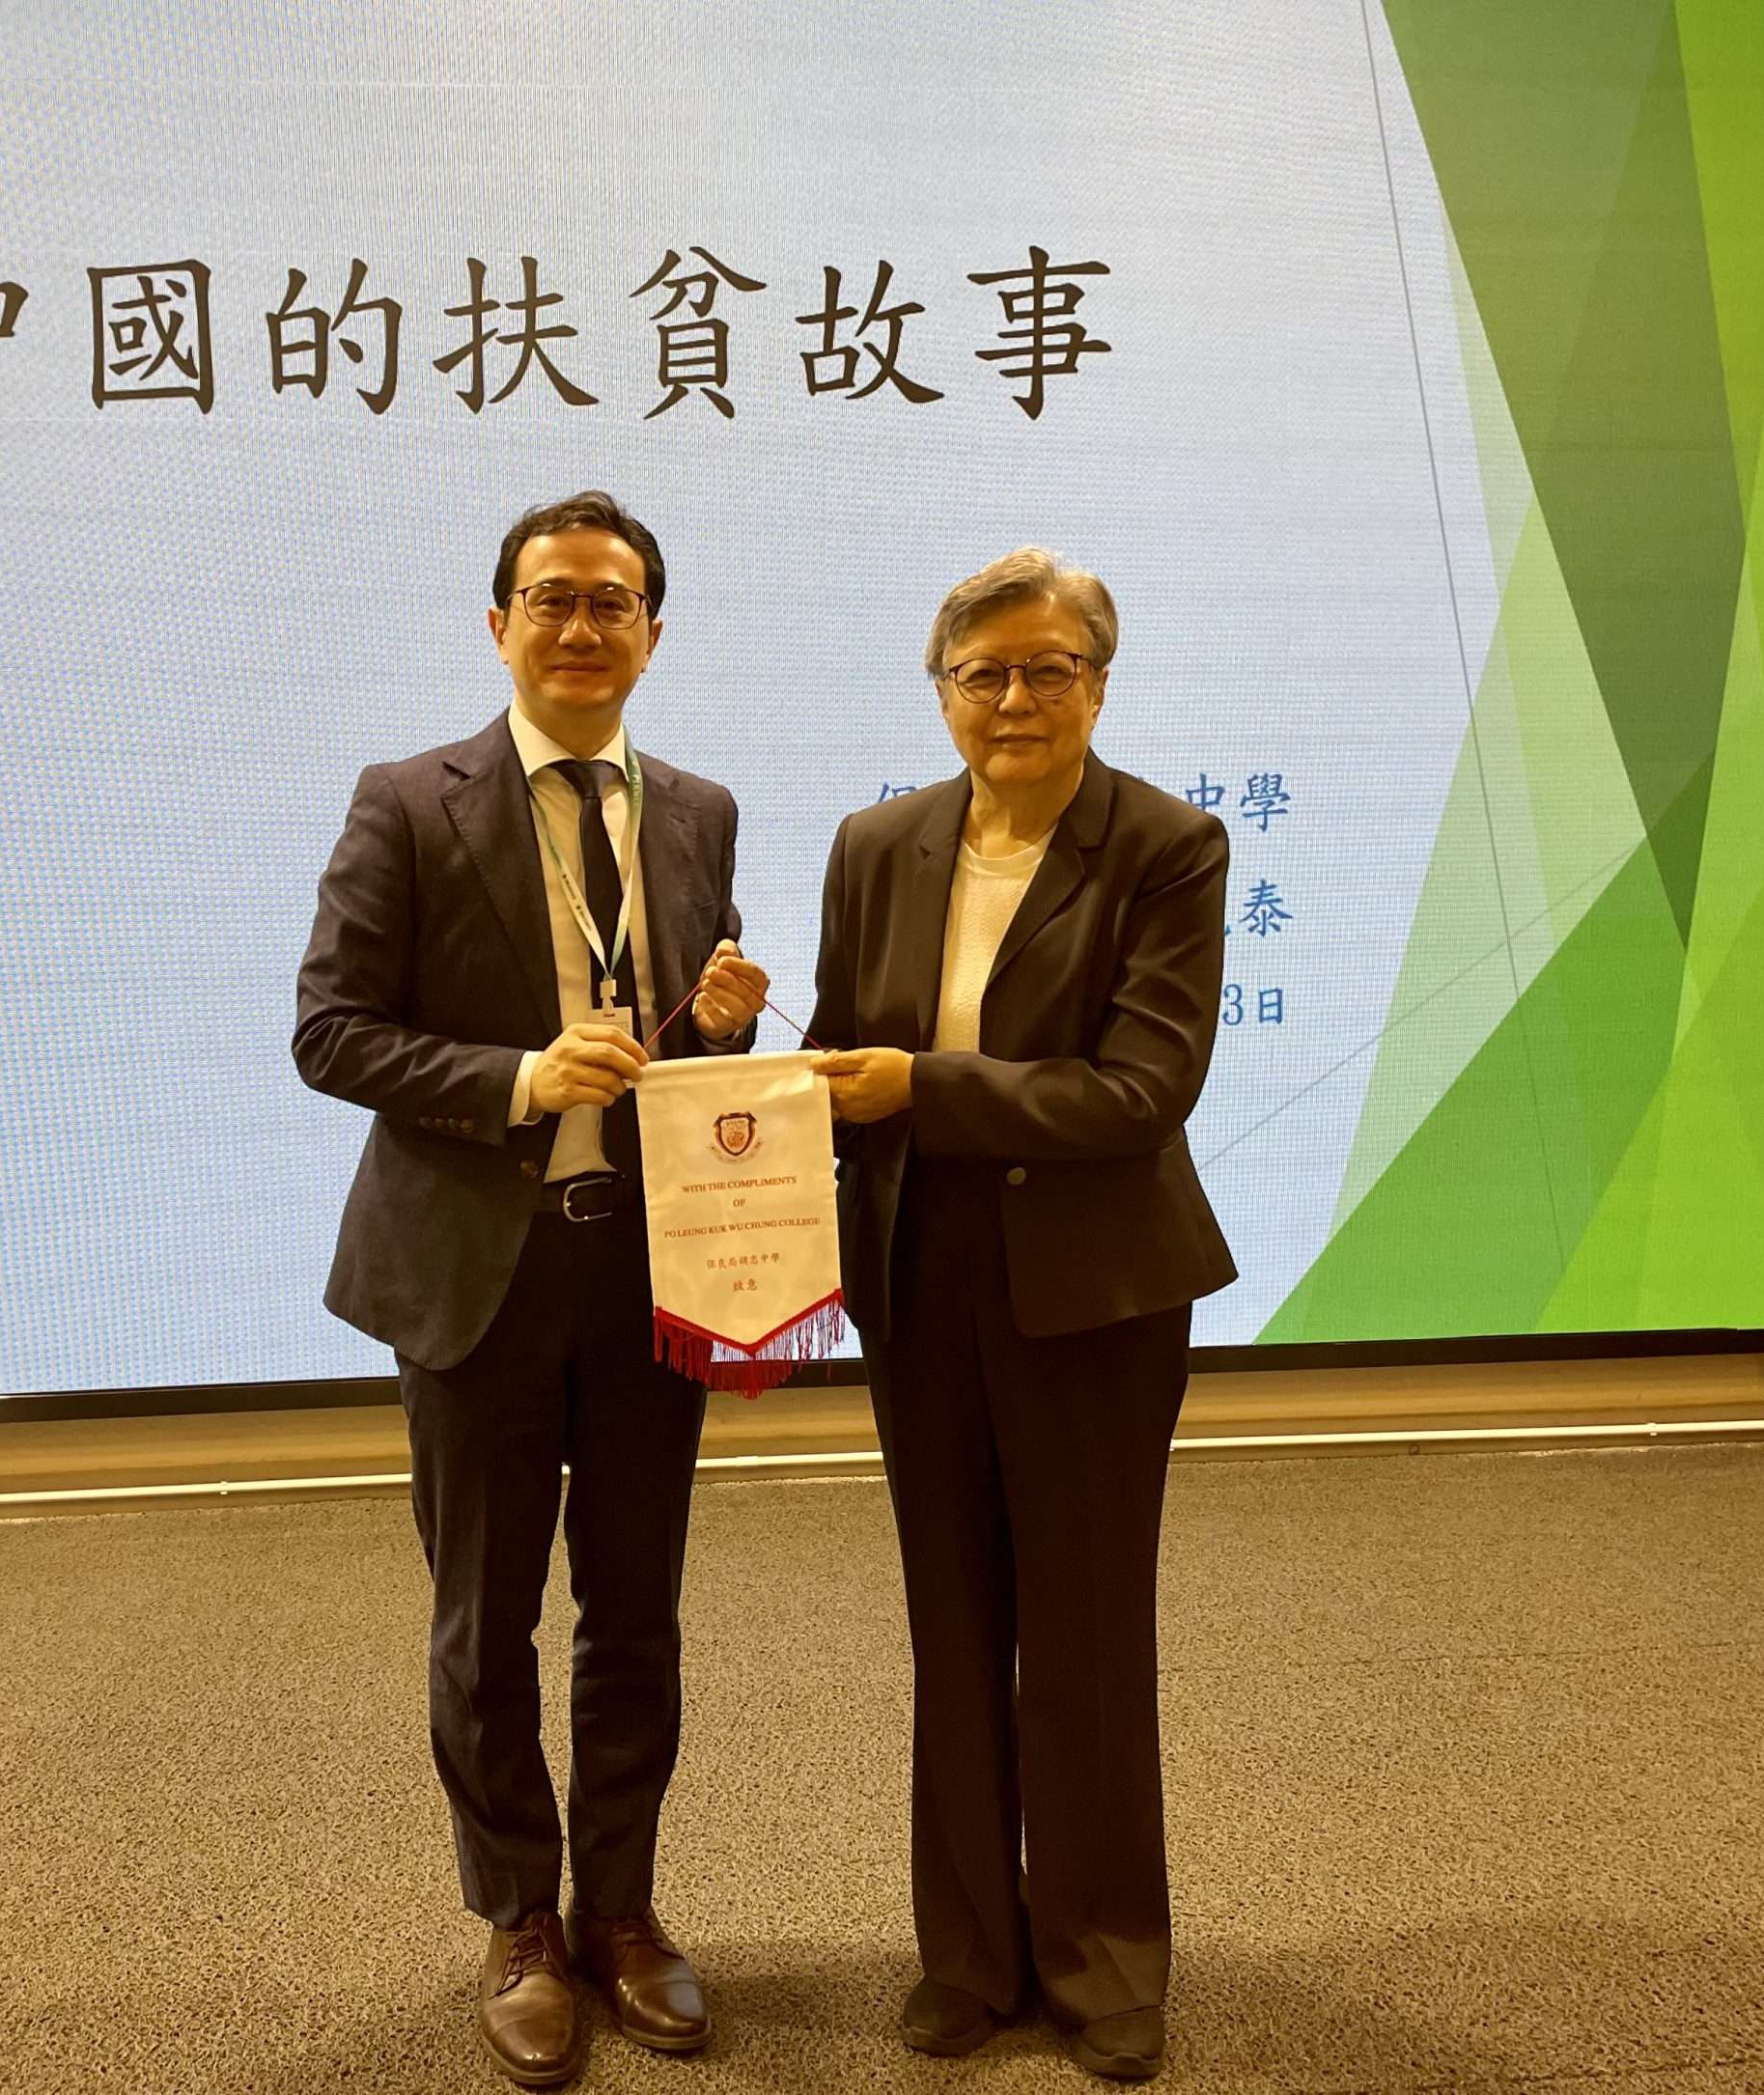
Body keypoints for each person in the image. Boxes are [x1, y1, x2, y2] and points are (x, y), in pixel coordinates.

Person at [294, 491, 769, 2089]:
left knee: (636, 1611)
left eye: (612, 601)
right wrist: (516, 1076)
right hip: (475, 1274)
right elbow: (332, 1031)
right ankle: (517, 1920)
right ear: (499, 624)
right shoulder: (405, 801)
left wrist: (715, 1017)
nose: (582, 625)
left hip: (648, 1269)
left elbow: (671, 1035)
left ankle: (620, 1908)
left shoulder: (697, 809)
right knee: (485, 1618)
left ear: (652, 634)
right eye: (552, 597)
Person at [808, 547, 1236, 2082]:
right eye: (982, 673)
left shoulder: (1167, 845)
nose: (1014, 699)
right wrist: (736, 1052)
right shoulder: (878, 844)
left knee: (1085, 1632)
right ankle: (972, 1953)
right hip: (918, 1279)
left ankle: (1103, 1952)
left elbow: (1140, 1091)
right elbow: (834, 1060)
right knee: (953, 1622)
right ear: (941, 694)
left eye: (1049, 669)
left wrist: (921, 1089)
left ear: (1098, 687)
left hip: (1094, 1291)